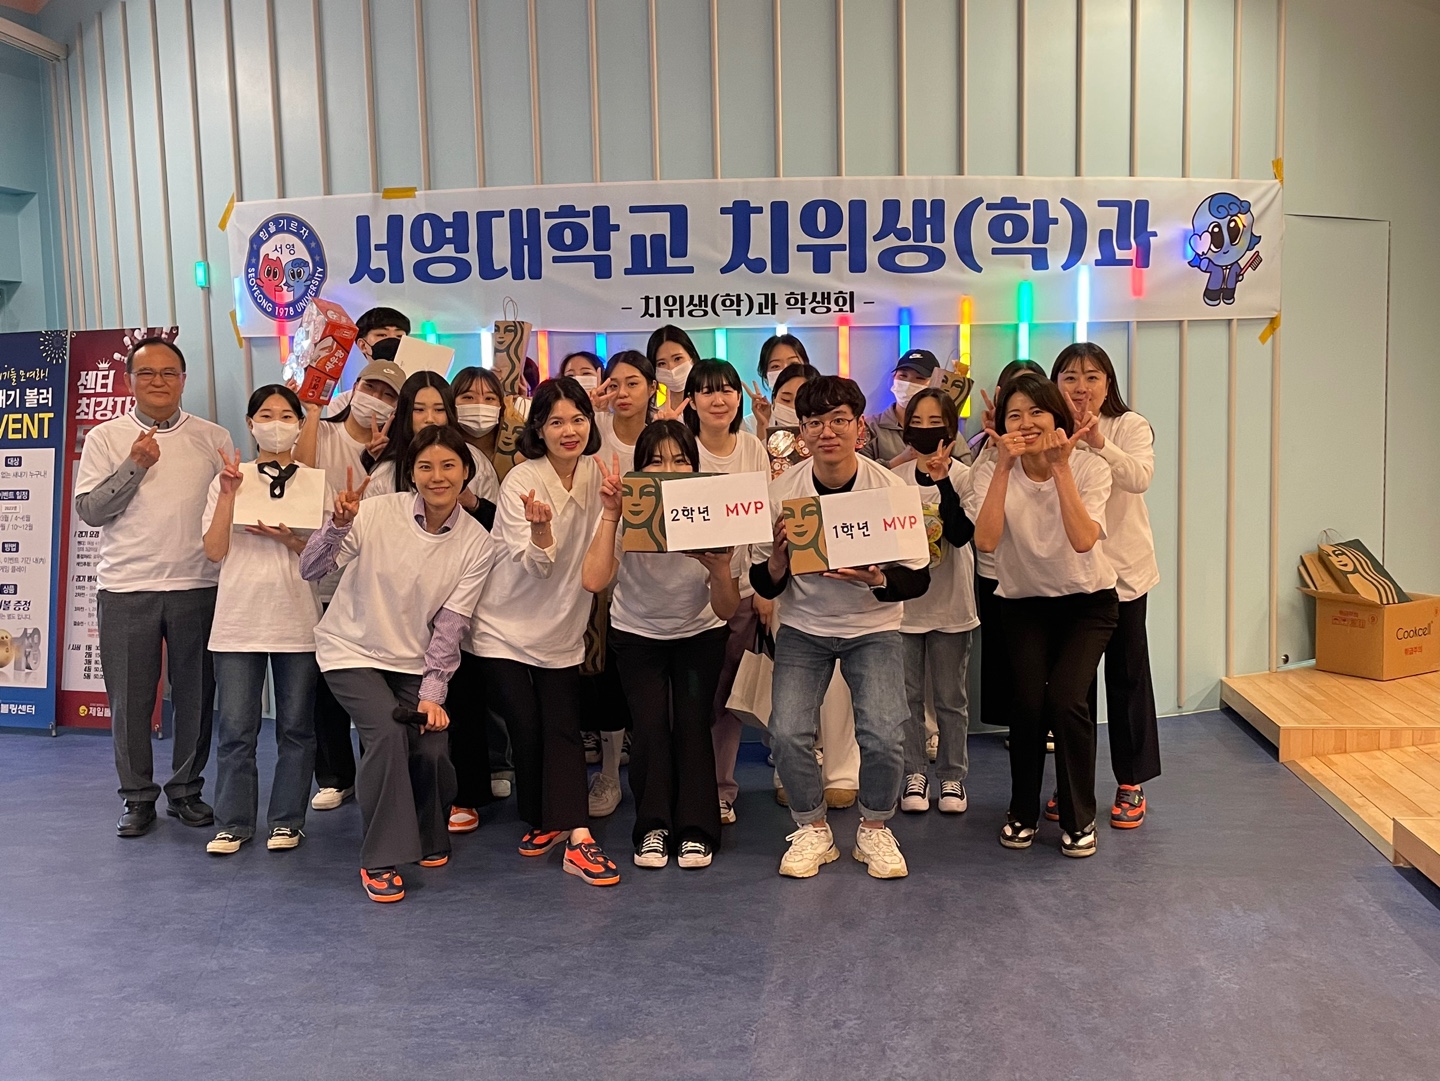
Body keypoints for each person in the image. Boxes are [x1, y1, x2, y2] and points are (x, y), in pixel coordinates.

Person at [300, 425, 495, 902]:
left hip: (412, 659)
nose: (437, 476)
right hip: (350, 650)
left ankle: (428, 834)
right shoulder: (376, 512)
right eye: (425, 466)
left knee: (431, 744)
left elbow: (451, 626)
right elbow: (311, 569)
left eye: (448, 466)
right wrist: (337, 525)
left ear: (466, 472)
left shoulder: (477, 542)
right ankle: (380, 858)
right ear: (412, 473)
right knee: (387, 734)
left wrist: (432, 695)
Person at [751, 376, 931, 880]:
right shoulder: (782, 493)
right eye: (814, 423)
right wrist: (779, 562)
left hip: (874, 626)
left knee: (885, 735)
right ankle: (812, 828)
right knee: (787, 733)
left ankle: (874, 828)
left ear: (859, 428)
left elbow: (917, 577)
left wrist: (878, 579)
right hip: (803, 626)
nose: (827, 432)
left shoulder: (891, 491)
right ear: (802, 432)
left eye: (838, 421)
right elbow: (761, 579)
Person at [467, 378, 623, 887]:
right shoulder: (522, 480)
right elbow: (535, 566)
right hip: (501, 626)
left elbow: (603, 562)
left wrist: (613, 511)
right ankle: (558, 824)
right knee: (527, 724)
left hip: (562, 626)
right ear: (538, 429)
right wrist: (540, 531)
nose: (569, 430)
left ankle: (569, 830)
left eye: (578, 419)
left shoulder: (600, 475)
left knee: (561, 727)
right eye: (555, 421)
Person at [75, 336, 232, 838]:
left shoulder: (214, 437)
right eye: (146, 373)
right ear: (129, 382)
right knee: (130, 701)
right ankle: (137, 796)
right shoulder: (105, 437)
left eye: (168, 372)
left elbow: (229, 508)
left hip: (198, 584)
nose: (158, 381)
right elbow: (91, 511)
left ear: (183, 380)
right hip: (126, 587)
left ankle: (186, 790)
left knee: (196, 697)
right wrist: (135, 465)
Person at [970, 372, 1118, 858]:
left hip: (1087, 602)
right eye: (1014, 415)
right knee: (1028, 703)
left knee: (1068, 699)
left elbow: (1083, 539)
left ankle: (1079, 817)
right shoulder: (991, 470)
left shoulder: (1091, 467)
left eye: (1037, 412)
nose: (1026, 423)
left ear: (1057, 417)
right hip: (1023, 603)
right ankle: (1022, 812)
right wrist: (1002, 466)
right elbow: (985, 541)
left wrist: (1060, 470)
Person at [582, 421, 741, 868]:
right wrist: (611, 514)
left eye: (679, 460)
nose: (667, 469)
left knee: (692, 725)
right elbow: (593, 580)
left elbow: (727, 608)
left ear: (695, 466)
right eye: (654, 461)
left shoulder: (714, 508)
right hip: (637, 635)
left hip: (699, 635)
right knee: (649, 728)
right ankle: (653, 827)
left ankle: (696, 829)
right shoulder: (627, 509)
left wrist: (719, 569)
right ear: (639, 469)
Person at [201, 385, 322, 855]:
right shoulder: (230, 479)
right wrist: (228, 494)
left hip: (297, 619)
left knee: (296, 728)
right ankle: (232, 823)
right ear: (250, 424)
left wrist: (290, 540)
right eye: (266, 415)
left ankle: (287, 820)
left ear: (300, 424)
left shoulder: (315, 483)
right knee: (236, 730)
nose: (276, 424)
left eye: (286, 415)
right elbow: (214, 551)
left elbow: (326, 561)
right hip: (238, 620)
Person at [1050, 342, 1160, 828]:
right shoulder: (1050, 429)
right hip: (1071, 577)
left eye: (1091, 377)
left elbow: (1139, 478)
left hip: (1124, 575)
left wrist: (1098, 441)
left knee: (1127, 676)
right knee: (1072, 688)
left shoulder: (1129, 426)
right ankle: (1073, 785)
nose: (1081, 387)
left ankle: (1131, 781)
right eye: (1070, 378)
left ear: (1108, 383)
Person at [294, 356, 406, 813]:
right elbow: (299, 474)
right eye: (370, 388)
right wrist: (313, 409)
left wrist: (379, 457)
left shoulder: (397, 451)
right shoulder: (322, 432)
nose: (375, 400)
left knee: (373, 682)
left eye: (387, 396)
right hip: (319, 572)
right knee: (325, 684)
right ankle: (334, 775)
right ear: (354, 387)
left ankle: (372, 771)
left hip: (372, 581)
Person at [681, 359, 773, 826]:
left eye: (727, 390)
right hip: (683, 593)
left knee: (728, 695)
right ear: (691, 400)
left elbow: (763, 521)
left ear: (738, 398)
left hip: (738, 590)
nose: (718, 400)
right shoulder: (680, 448)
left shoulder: (753, 447)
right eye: (707, 391)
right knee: (689, 698)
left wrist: (764, 589)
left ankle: (720, 788)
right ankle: (685, 785)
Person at [892, 389, 978, 817]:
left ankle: (952, 776)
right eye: (918, 422)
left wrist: (942, 480)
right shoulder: (894, 478)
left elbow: (961, 535)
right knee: (907, 698)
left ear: (951, 427)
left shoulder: (964, 476)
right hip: (905, 609)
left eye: (935, 422)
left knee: (950, 698)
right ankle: (913, 772)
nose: (926, 430)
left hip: (952, 606)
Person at [969, 359, 1046, 745]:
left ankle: (1046, 723)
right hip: (994, 569)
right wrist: (992, 444)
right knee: (1007, 654)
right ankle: (1020, 725)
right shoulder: (983, 447)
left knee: (1047, 654)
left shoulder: (1061, 449)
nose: (1025, 418)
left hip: (1044, 571)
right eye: (1014, 408)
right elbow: (973, 501)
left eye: (1035, 404)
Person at [360, 369, 500, 517]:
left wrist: (473, 503)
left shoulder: (476, 461)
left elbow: (497, 521)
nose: (430, 419)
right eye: (419, 409)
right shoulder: (385, 472)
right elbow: (370, 523)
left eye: (439, 409)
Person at [863, 348, 971, 468]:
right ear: (893, 378)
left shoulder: (945, 427)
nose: (909, 383)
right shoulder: (871, 426)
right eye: (903, 376)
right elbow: (860, 472)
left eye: (919, 378)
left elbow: (966, 469)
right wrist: (899, 460)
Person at [324, 306, 410, 417]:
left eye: (399, 336)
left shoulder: (418, 398)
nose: (392, 340)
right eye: (382, 335)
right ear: (363, 345)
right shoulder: (341, 405)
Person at [742, 333, 811, 435]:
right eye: (775, 366)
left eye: (794, 365)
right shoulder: (748, 426)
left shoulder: (823, 420)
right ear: (765, 376)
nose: (786, 371)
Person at [646, 325, 701, 406]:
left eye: (677, 359)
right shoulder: (652, 412)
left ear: (692, 357)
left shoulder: (712, 406)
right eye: (662, 363)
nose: (671, 368)